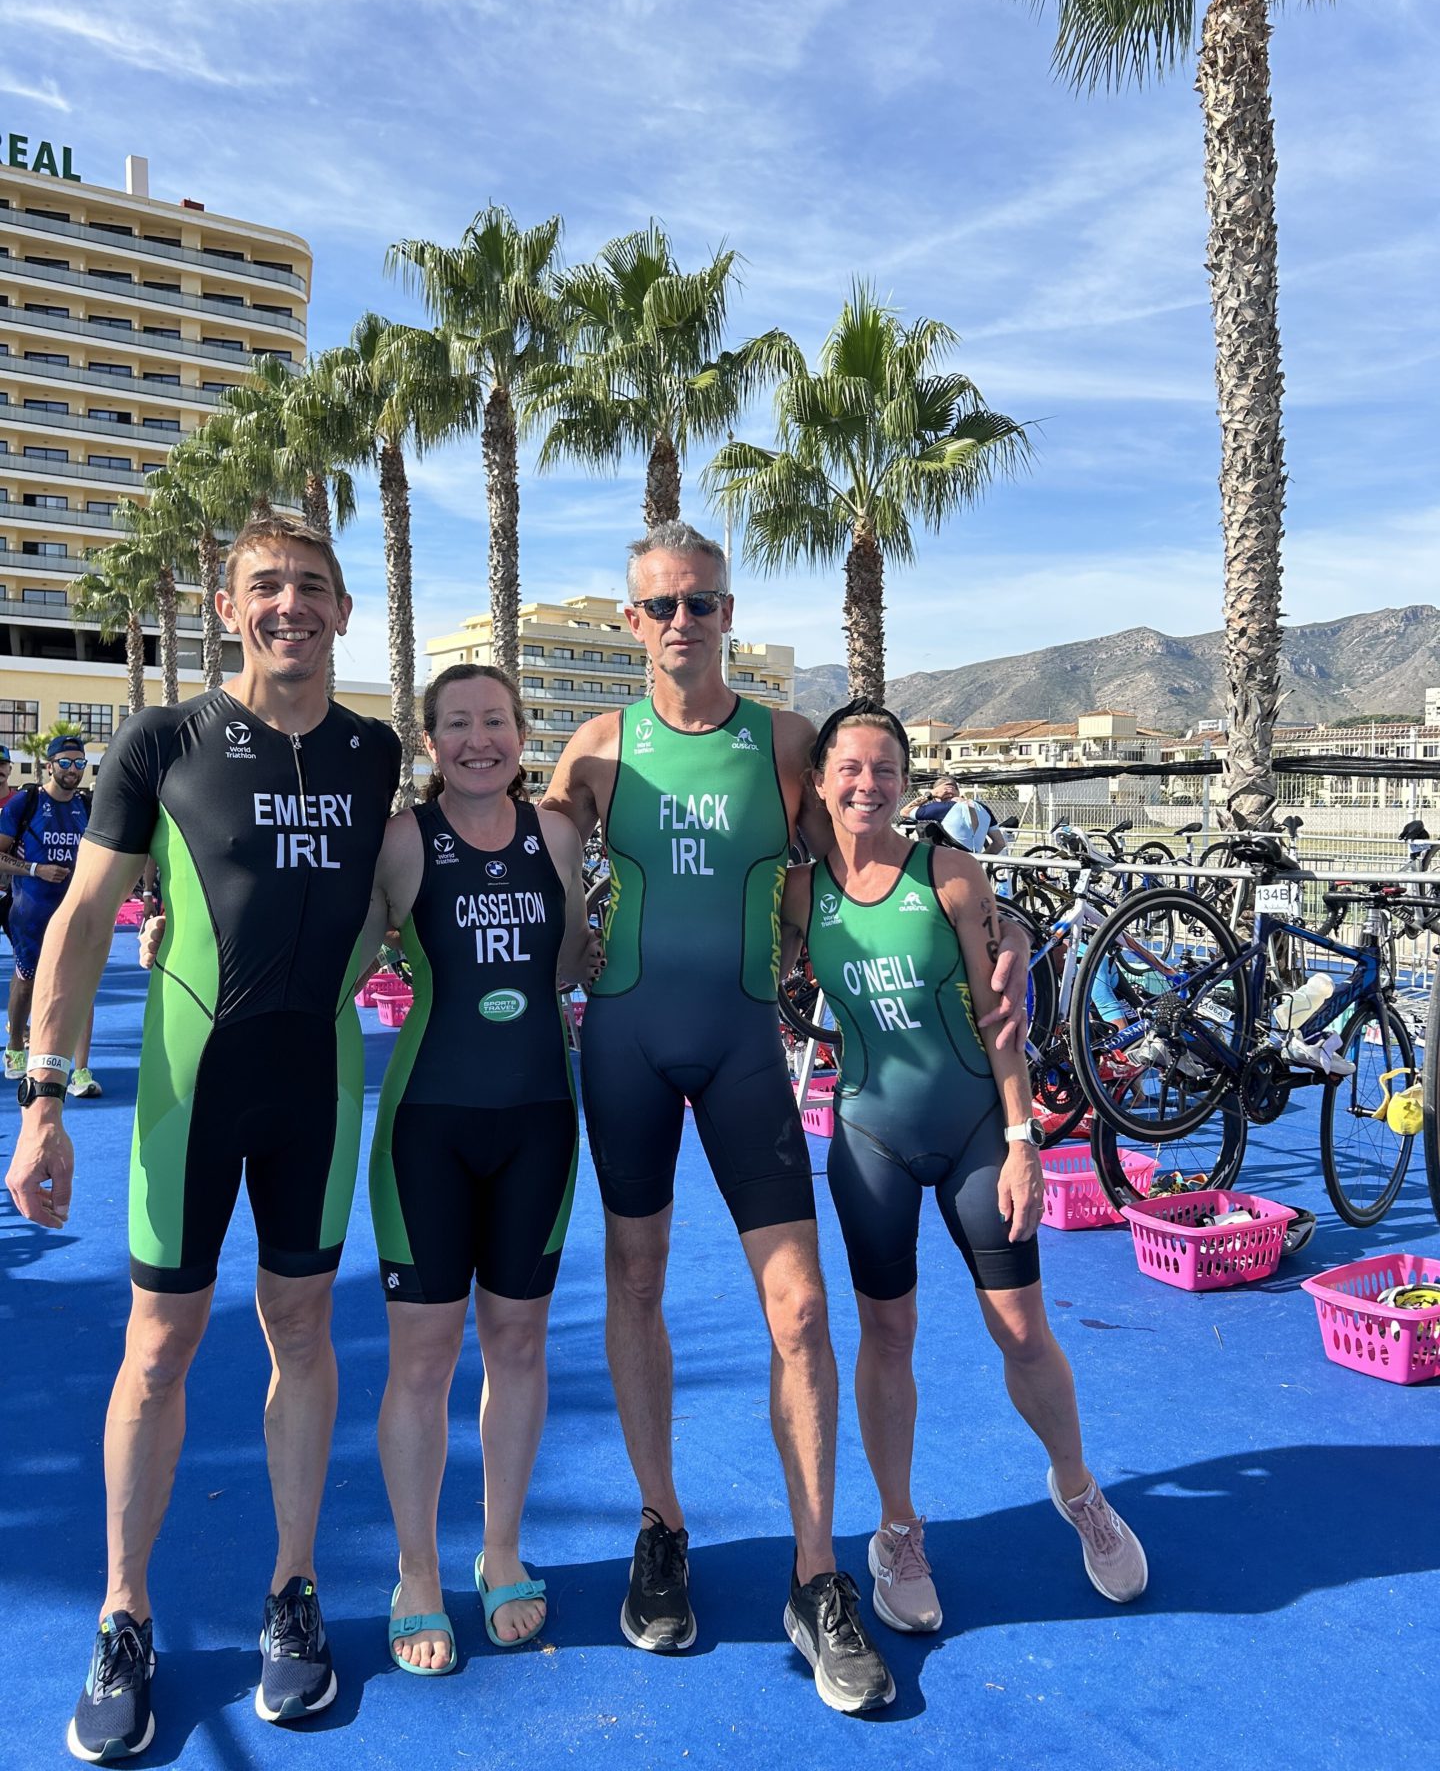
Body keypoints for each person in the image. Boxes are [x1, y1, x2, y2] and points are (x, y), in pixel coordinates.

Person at [543, 521, 1030, 1716]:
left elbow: (874, 859)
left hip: (746, 1048)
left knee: (803, 1311)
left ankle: (818, 1578)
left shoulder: (786, 741)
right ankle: (662, 1528)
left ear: (728, 613)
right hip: (625, 1047)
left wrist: (992, 916)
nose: (682, 623)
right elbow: (512, 868)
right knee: (637, 1285)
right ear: (631, 620)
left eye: (702, 603)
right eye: (660, 606)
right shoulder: (600, 752)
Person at [4, 515, 400, 1763]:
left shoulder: (374, 752)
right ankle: (126, 1612)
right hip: (190, 1084)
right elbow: (79, 917)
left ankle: (294, 1591)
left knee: (301, 1326)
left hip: (318, 1086)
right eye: (265, 587)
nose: (289, 605)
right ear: (230, 608)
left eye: (311, 588)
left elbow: (402, 900)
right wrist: (46, 1097)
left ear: (344, 612)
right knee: (160, 1341)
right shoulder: (164, 738)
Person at [782, 701, 1148, 1638]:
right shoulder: (795, 893)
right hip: (868, 1139)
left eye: (886, 769)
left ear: (907, 780)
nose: (868, 785)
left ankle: (1078, 1490)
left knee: (1022, 1327)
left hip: (981, 1129)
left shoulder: (947, 875)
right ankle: (897, 1529)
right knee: (887, 1333)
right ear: (820, 782)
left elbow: (1000, 1019)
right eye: (850, 769)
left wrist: (1025, 1141)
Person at [364, 663, 594, 1673]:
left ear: (520, 732)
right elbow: (335, 945)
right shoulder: (404, 842)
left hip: (541, 1121)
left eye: (494, 721)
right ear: (430, 743)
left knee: (518, 1346)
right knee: (422, 1361)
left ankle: (500, 1550)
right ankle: (418, 1570)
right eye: (455, 725)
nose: (477, 740)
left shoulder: (557, 838)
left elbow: (573, 959)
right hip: (428, 1129)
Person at [0, 735, 101, 1097]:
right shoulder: (25, 803)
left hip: (75, 910)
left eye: (79, 764)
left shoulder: (88, 807)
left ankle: (81, 1072)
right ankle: (14, 1046)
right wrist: (34, 868)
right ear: (49, 765)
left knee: (83, 985)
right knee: (26, 981)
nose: (73, 770)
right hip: (31, 912)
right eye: (66, 762)